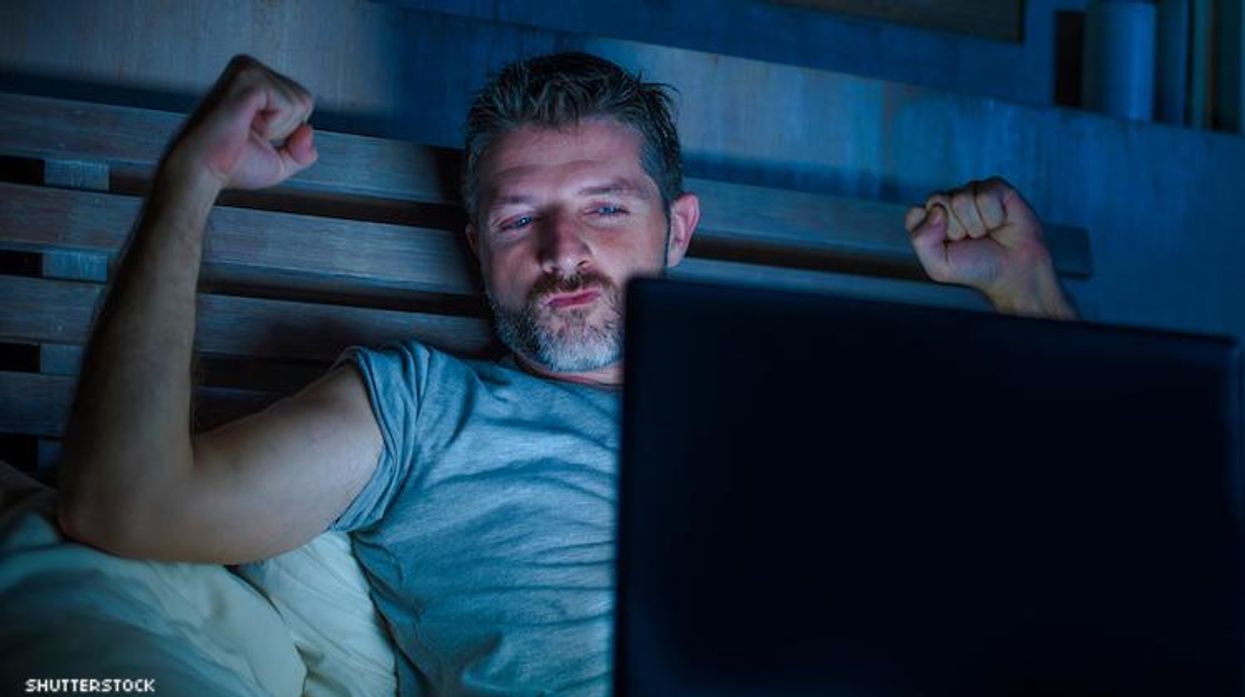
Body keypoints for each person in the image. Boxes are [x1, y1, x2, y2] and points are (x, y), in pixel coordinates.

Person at [56, 52, 1077, 694]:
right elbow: (127, 504)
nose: (562, 250)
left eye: (603, 205)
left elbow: (1082, 545)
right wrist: (192, 183)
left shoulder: (802, 414)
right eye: (518, 218)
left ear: (677, 229)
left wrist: (1027, 290)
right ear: (475, 243)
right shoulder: (423, 409)